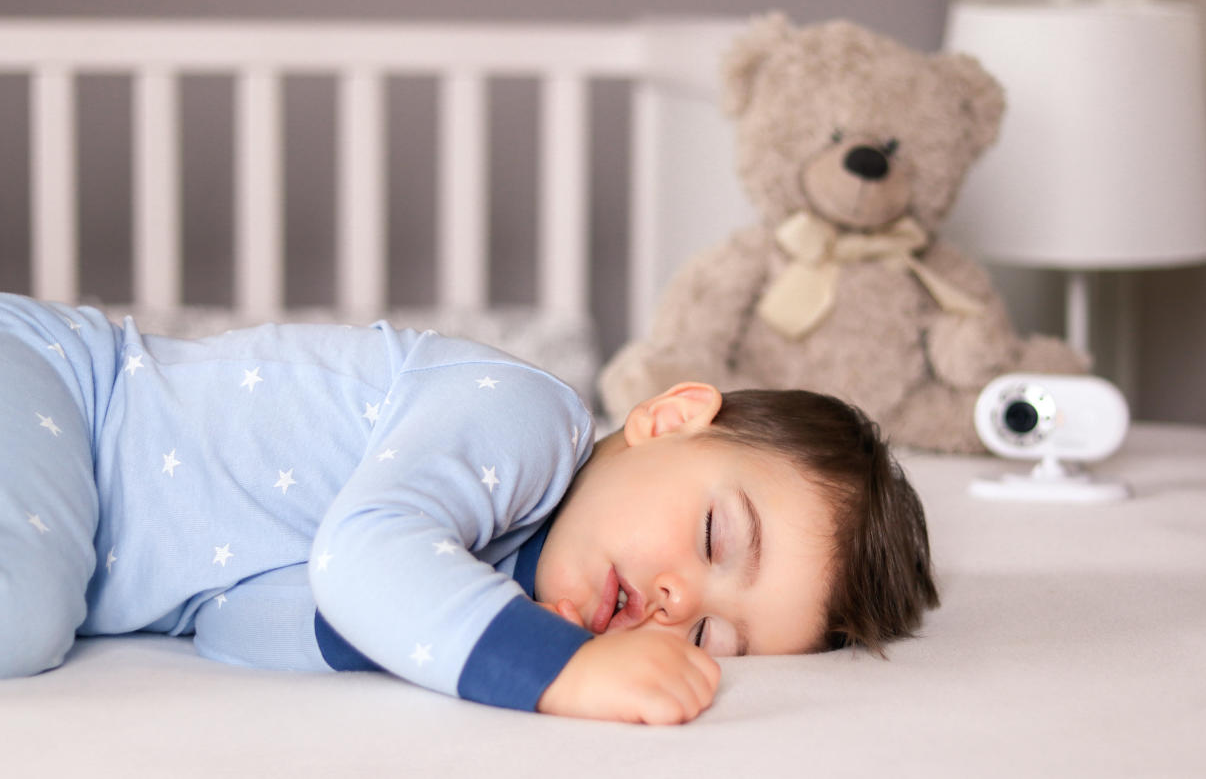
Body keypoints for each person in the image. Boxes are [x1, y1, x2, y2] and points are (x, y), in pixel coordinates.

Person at [0, 293, 938, 724]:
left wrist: (461, 629)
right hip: (54, 386)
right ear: (668, 419)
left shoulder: (463, 580)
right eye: (710, 538)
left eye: (710, 640)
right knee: (23, 613)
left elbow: (242, 623)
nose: (672, 601)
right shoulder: (527, 418)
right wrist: (556, 670)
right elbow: (364, 557)